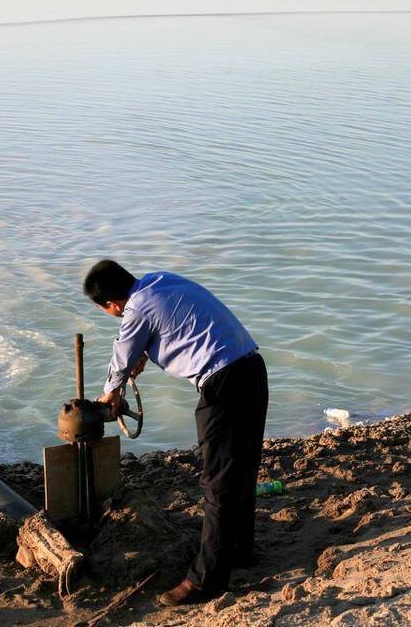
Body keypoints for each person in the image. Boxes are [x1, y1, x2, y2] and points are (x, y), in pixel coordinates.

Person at [83, 259, 268, 606]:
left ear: (111, 304)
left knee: (218, 483)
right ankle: (239, 553)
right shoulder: (160, 281)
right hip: (251, 368)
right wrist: (145, 353)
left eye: (107, 311)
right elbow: (172, 329)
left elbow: (123, 353)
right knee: (241, 472)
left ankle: (206, 581)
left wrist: (111, 392)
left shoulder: (134, 309)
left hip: (223, 384)